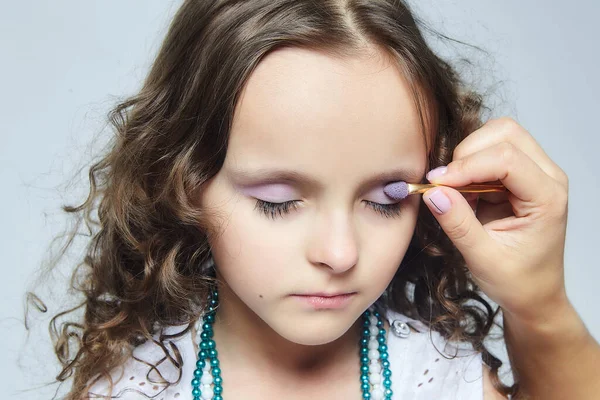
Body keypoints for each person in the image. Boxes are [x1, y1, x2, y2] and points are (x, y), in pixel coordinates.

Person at [28, 0, 600, 399]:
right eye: (278, 201)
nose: (339, 252)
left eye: (384, 199)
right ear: (183, 183)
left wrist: (540, 304)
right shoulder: (134, 389)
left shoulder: (438, 376)